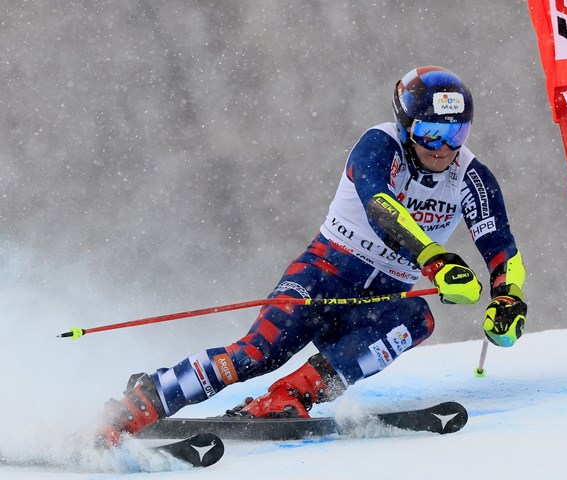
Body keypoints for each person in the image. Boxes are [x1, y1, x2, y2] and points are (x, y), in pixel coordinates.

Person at [97, 66, 528, 447]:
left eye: (457, 133)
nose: (443, 147)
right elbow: (381, 207)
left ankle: (289, 396)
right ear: (405, 125)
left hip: (376, 302)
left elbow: (499, 246)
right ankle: (141, 402)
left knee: (418, 318)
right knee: (255, 354)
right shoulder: (379, 145)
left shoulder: (470, 176)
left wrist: (508, 299)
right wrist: (435, 259)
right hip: (324, 275)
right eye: (430, 132)